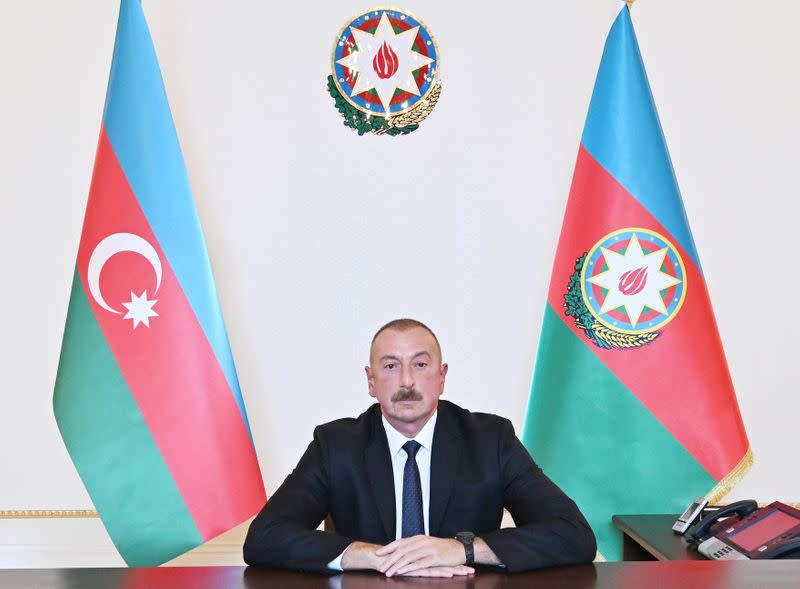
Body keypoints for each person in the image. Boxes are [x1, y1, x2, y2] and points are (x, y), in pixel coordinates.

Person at [244, 319, 596, 576]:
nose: (407, 381)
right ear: (371, 381)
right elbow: (264, 537)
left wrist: (463, 549)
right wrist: (373, 556)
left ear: (442, 377)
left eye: (421, 364)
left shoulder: (490, 439)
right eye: (391, 366)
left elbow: (573, 533)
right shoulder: (335, 445)